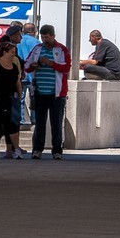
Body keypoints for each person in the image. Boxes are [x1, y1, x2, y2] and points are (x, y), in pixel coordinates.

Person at [23, 24, 73, 159]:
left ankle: (57, 151)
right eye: (42, 37)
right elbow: (26, 65)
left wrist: (50, 63)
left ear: (53, 36)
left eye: (47, 37)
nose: (44, 40)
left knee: (56, 123)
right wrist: (33, 65)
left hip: (56, 93)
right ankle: (37, 149)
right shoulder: (37, 49)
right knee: (39, 123)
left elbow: (66, 68)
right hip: (39, 92)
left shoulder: (61, 49)